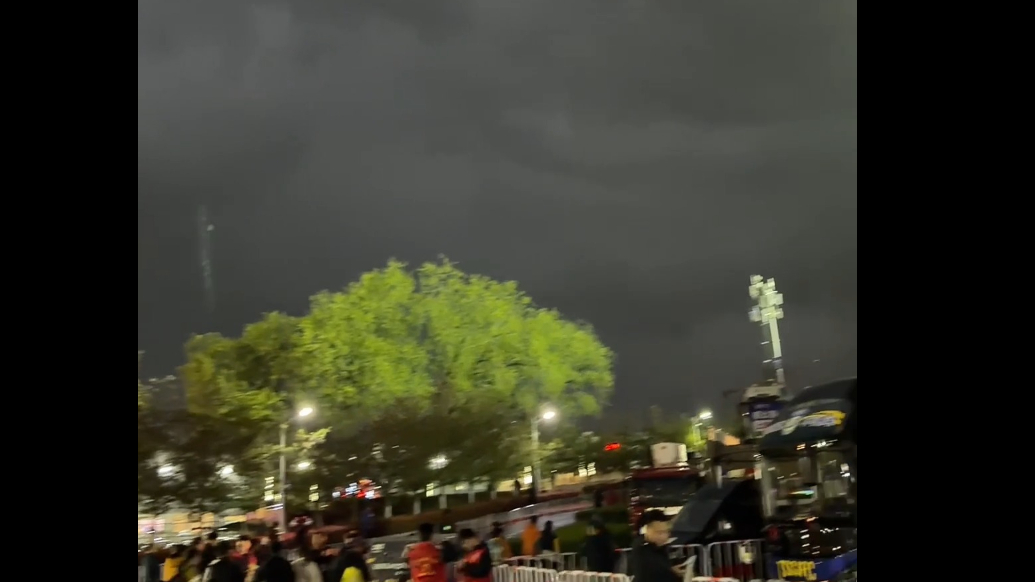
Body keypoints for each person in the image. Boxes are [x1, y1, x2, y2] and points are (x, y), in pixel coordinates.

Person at [631, 510, 683, 582]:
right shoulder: (642, 549)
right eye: (659, 533)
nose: (664, 536)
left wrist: (672, 570)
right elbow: (655, 572)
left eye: (667, 532)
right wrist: (672, 573)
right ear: (646, 531)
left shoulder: (659, 548)